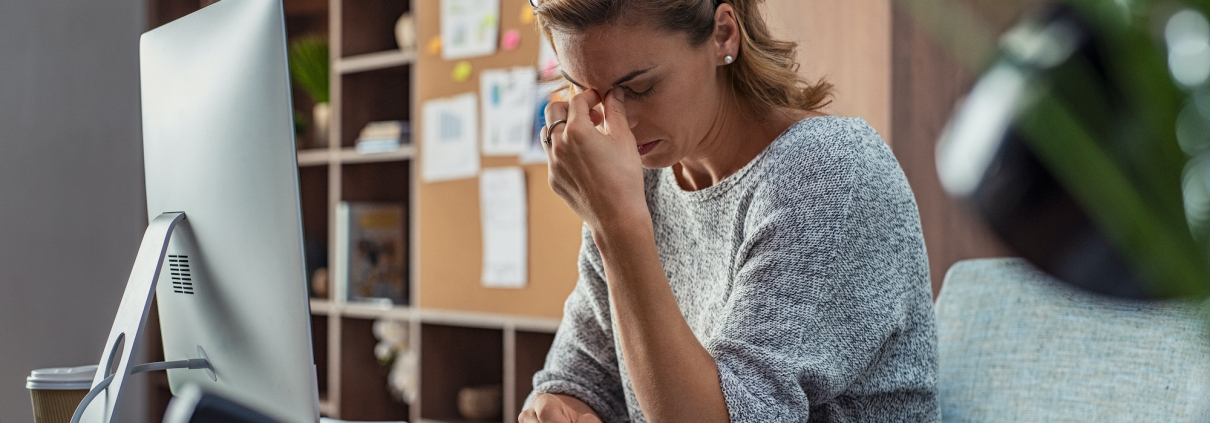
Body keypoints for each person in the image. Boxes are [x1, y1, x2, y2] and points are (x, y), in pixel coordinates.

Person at [521, 0, 939, 422]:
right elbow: (583, 378)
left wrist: (617, 226)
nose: (616, 124)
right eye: (585, 92)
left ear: (723, 34)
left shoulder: (830, 172)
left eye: (640, 88)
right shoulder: (641, 183)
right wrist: (558, 410)